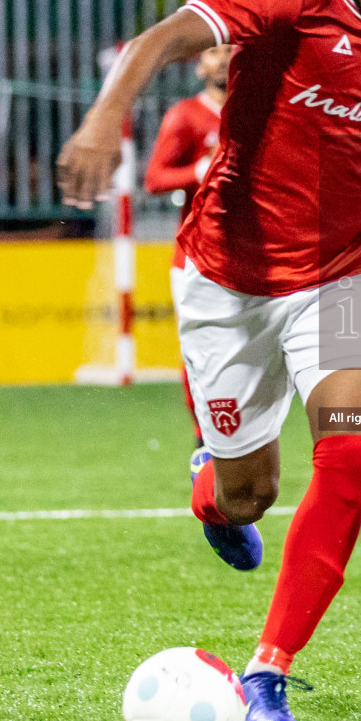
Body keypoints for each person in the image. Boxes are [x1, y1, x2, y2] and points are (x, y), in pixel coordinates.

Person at [56, 0, 361, 721]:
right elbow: (160, 40)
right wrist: (101, 121)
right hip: (227, 277)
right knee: (249, 496)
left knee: (351, 450)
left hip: (346, 276)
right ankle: (212, 480)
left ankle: (267, 673)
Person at [144, 44, 233, 453]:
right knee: (199, 348)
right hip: (196, 257)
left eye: (233, 49)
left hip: (256, 255)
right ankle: (204, 435)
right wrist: (201, 169)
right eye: (214, 52)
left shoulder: (263, 111)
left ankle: (244, 433)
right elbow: (155, 178)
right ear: (199, 66)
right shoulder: (186, 116)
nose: (225, 58)